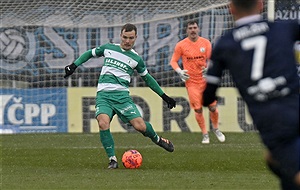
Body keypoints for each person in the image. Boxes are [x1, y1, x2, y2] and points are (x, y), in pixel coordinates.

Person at [202, 0, 300, 189]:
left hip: (273, 119)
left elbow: (207, 96)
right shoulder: (284, 28)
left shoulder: (225, 43)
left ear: (231, 8)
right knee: (274, 160)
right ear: (261, 5)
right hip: (295, 103)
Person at [64, 23, 176, 169]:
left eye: (130, 38)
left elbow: (148, 79)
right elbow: (89, 54)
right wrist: (74, 65)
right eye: (125, 37)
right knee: (103, 122)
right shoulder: (109, 48)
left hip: (122, 98)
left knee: (140, 126)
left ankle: (158, 139)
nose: (127, 41)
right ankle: (112, 160)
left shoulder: (136, 59)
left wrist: (164, 96)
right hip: (104, 96)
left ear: (136, 38)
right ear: (120, 36)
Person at [170, 20, 225, 144]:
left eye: (195, 27)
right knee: (198, 110)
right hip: (192, 83)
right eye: (190, 28)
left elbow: (211, 59)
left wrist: (209, 69)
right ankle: (205, 134)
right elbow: (173, 61)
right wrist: (179, 71)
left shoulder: (205, 43)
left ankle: (216, 129)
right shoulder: (181, 45)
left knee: (212, 107)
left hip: (205, 81)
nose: (193, 30)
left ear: (198, 29)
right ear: (187, 30)